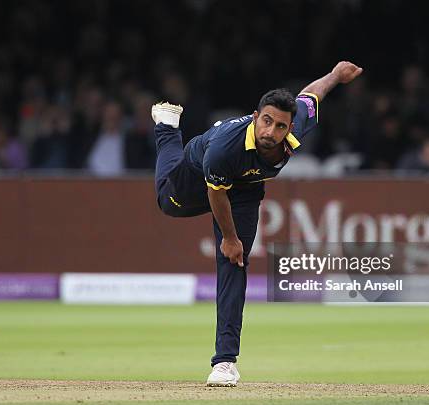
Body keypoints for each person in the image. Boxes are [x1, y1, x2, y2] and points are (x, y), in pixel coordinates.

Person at [151, 61, 363, 386]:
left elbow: (310, 96)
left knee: (234, 266)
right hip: (199, 174)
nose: (271, 132)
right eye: (266, 122)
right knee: (168, 203)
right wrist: (229, 237)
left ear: (290, 127)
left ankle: (224, 362)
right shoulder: (224, 149)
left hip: (247, 191)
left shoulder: (292, 129)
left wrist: (335, 75)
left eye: (280, 126)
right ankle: (167, 126)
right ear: (255, 117)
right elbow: (217, 195)